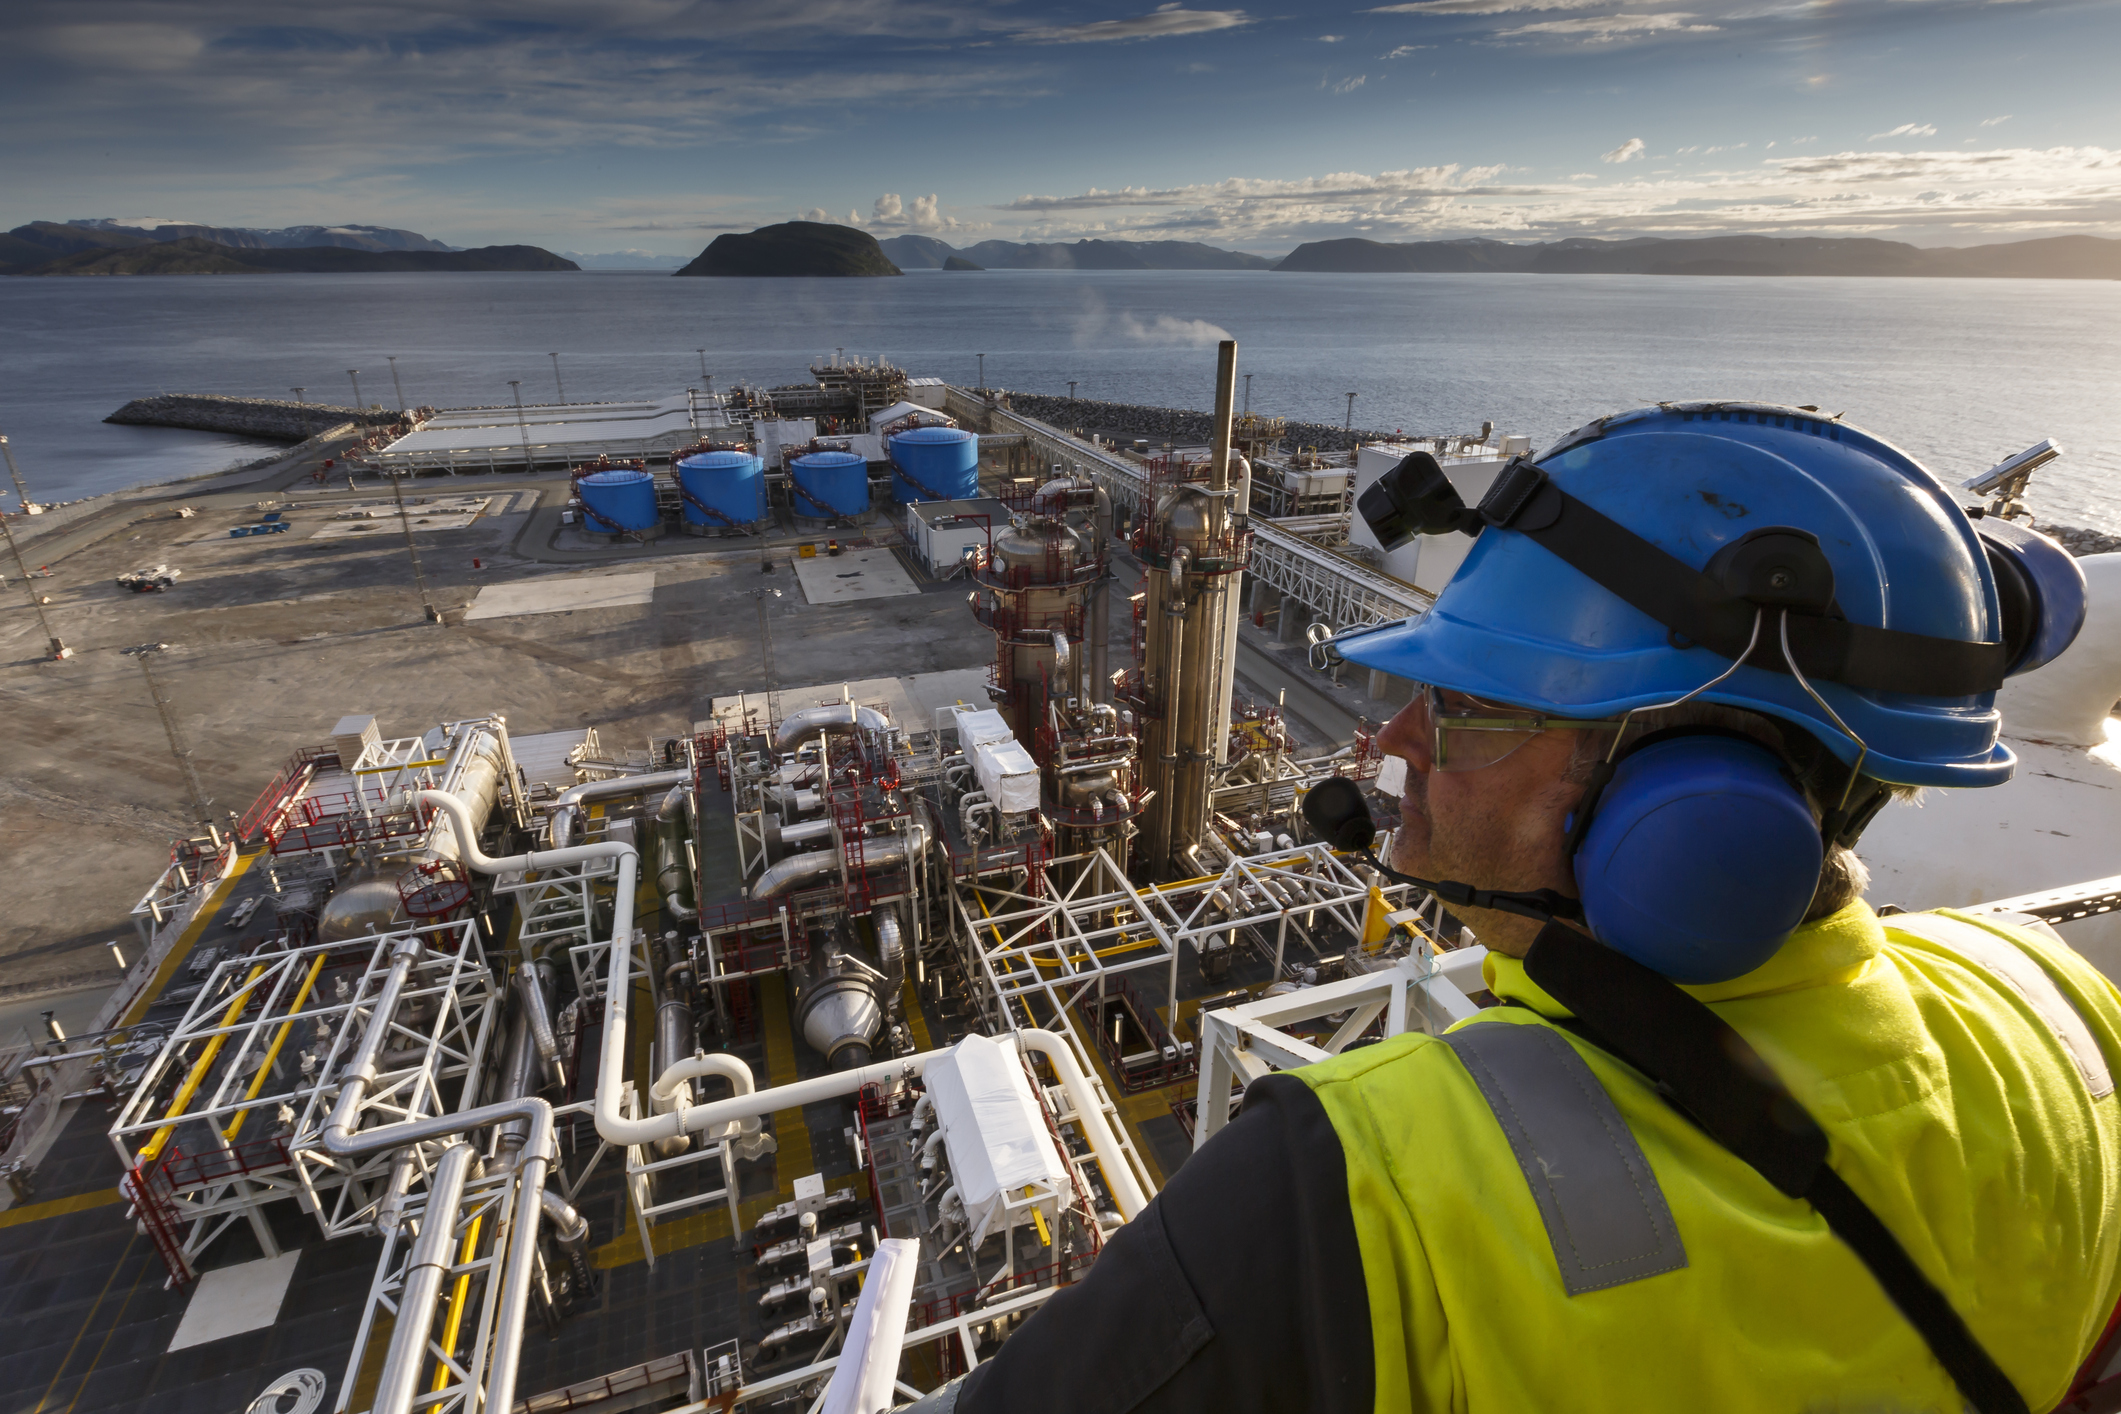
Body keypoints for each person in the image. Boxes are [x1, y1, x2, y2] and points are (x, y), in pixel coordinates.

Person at [916, 404, 2121, 1413]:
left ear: (1679, 792)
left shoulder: (1359, 1181)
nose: (1390, 737)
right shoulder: (2055, 996)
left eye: (1471, 706)